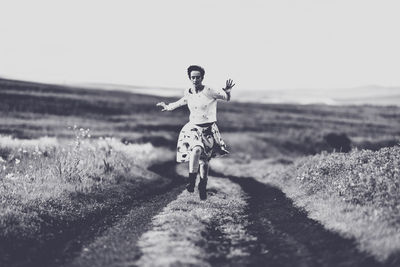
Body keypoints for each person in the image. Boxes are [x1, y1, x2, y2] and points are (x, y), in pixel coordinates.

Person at [156, 65, 235, 200]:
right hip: (193, 128)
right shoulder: (188, 91)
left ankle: (202, 186)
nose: (195, 80)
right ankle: (192, 181)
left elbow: (226, 98)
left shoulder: (209, 91)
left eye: (198, 77)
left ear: (202, 78)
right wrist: (168, 107)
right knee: (196, 149)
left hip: (209, 130)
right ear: (189, 78)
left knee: (204, 161)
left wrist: (227, 91)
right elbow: (183, 101)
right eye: (193, 77)